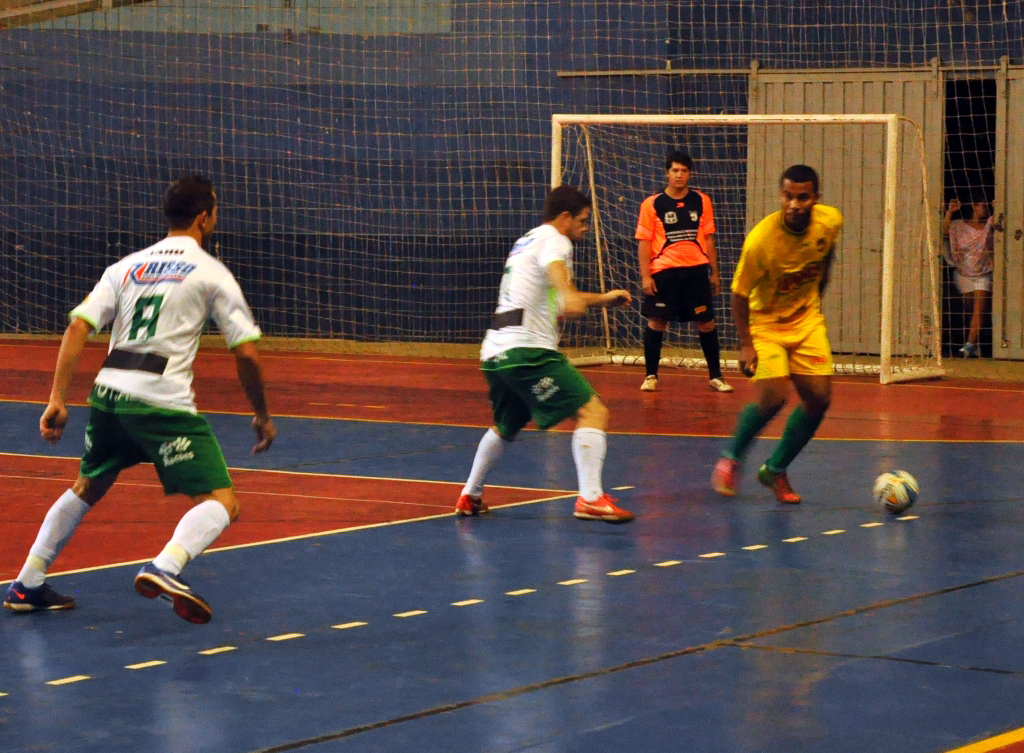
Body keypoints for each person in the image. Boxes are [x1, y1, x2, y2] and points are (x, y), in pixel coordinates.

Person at [3, 175, 275, 624]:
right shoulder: (211, 272)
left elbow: (77, 327)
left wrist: (56, 398)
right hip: (160, 402)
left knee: (87, 486)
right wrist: (262, 413)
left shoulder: (126, 266)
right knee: (223, 502)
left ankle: (27, 583)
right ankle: (165, 567)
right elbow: (245, 351)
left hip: (108, 396)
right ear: (205, 217)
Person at [455, 185, 635, 523]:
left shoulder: (527, 239)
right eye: (582, 221)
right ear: (564, 217)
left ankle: (470, 495)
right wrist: (568, 295)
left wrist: (601, 299)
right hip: (528, 351)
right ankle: (591, 499)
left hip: (495, 351)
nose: (585, 227)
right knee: (592, 410)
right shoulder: (556, 241)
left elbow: (546, 292)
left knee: (506, 425)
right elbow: (558, 280)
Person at [711, 164, 842, 504]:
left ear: (815, 198)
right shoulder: (761, 241)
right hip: (766, 323)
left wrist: (815, 296)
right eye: (788, 196)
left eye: (803, 197)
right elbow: (739, 294)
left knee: (819, 398)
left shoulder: (830, 222)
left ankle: (775, 469)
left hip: (806, 319)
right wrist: (745, 345)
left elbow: (826, 255)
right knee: (774, 396)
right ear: (780, 196)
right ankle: (731, 458)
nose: (795, 204)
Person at [636, 150, 732, 393]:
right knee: (657, 322)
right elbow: (644, 242)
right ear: (667, 173)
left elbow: (709, 239)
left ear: (690, 173)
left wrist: (715, 272)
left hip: (696, 272)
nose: (679, 175)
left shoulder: (702, 201)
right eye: (675, 170)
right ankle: (650, 376)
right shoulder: (652, 204)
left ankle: (715, 376)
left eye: (684, 171)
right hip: (664, 273)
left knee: (706, 323)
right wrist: (646, 276)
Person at [943, 193, 1000, 357]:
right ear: (974, 206)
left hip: (984, 272)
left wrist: (998, 207)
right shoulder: (959, 225)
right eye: (981, 204)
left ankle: (968, 346)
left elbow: (998, 222)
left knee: (978, 310)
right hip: (963, 273)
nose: (985, 208)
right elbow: (945, 231)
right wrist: (950, 212)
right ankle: (975, 342)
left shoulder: (989, 223)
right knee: (969, 310)